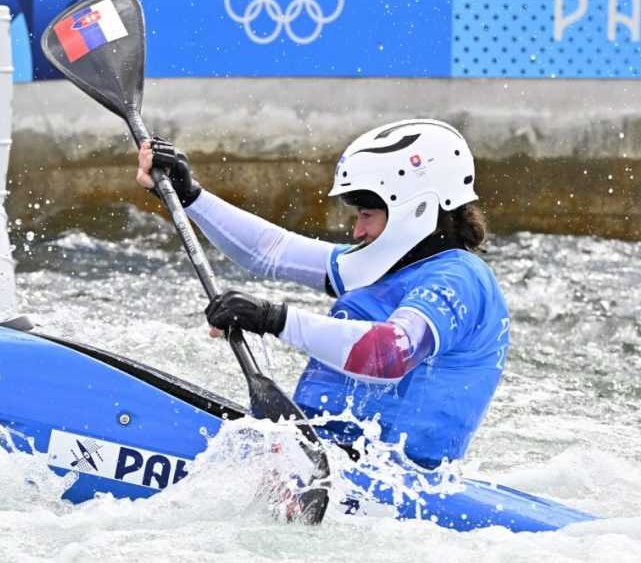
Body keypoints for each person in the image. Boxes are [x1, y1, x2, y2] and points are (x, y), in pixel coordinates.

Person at [134, 119, 510, 470]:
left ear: (416, 210)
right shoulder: (384, 267)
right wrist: (190, 196)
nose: (357, 231)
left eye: (366, 215)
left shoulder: (460, 278)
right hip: (330, 457)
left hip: (392, 482)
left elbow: (390, 352)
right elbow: (272, 252)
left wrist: (273, 319)